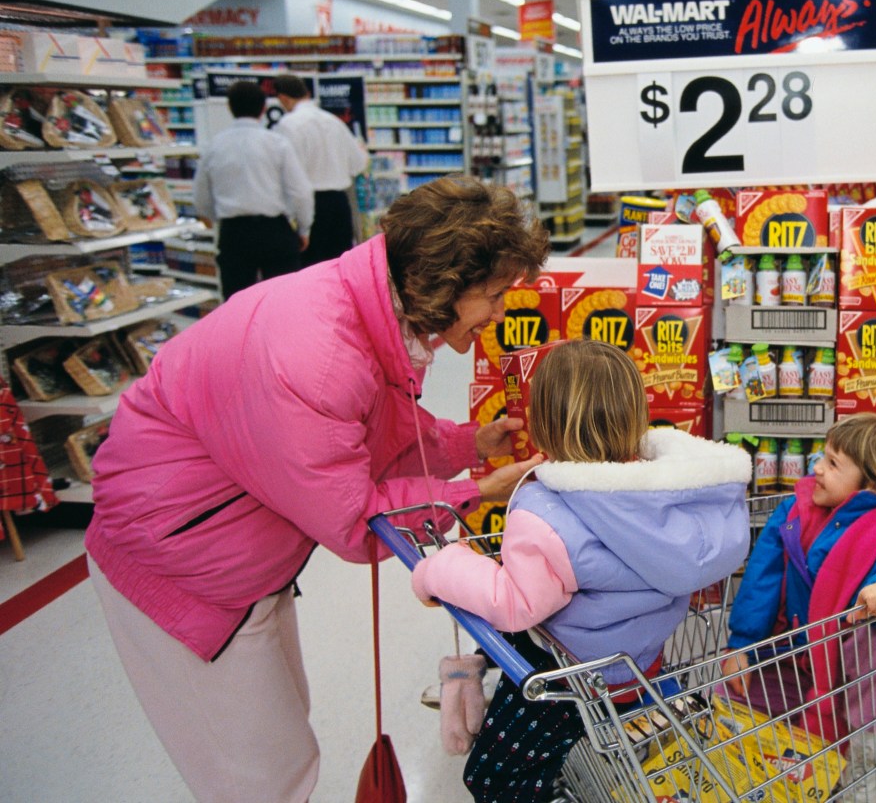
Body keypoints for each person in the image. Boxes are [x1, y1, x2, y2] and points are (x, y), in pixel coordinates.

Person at [85, 178, 552, 803]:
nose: (500, 312)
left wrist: (471, 444)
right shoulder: (319, 354)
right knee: (263, 775)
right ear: (444, 283)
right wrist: (475, 492)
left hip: (243, 557)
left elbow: (376, 426)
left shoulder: (364, 308)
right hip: (180, 565)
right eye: (493, 295)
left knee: (282, 731)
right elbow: (355, 519)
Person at [409, 340, 751, 803]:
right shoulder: (666, 495)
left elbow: (515, 603)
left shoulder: (547, 512)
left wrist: (442, 568)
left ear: (544, 428)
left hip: (571, 679)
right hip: (638, 661)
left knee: (492, 777)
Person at [721, 413, 876, 803]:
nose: (816, 468)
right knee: (732, 698)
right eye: (822, 457)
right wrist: (743, 645)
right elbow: (760, 582)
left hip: (859, 677)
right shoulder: (795, 514)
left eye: (833, 464)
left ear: (875, 484)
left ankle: (865, 761)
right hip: (798, 657)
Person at [193, 80, 313, 299]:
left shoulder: (214, 146)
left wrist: (218, 220)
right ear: (264, 109)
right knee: (285, 300)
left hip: (234, 233)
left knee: (237, 304)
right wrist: (304, 228)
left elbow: (201, 197)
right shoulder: (277, 143)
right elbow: (300, 191)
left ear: (230, 107)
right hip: (274, 231)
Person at [273, 73, 369, 265]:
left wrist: (301, 227)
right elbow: (359, 163)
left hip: (312, 205)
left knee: (311, 272)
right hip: (340, 205)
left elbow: (289, 176)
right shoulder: (333, 121)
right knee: (339, 270)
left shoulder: (287, 125)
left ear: (283, 98)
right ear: (307, 93)